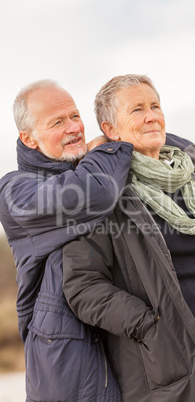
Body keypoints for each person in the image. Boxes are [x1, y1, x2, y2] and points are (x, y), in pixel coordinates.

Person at [63, 74, 195, 402]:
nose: (151, 116)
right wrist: (149, 326)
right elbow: (82, 287)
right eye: (137, 110)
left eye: (155, 105)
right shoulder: (103, 195)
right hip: (170, 366)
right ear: (111, 130)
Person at [0, 79, 134, 401]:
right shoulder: (15, 192)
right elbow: (95, 193)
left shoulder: (100, 169)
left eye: (75, 116)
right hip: (65, 365)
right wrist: (108, 144)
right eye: (57, 122)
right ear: (28, 138)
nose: (74, 127)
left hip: (122, 345)